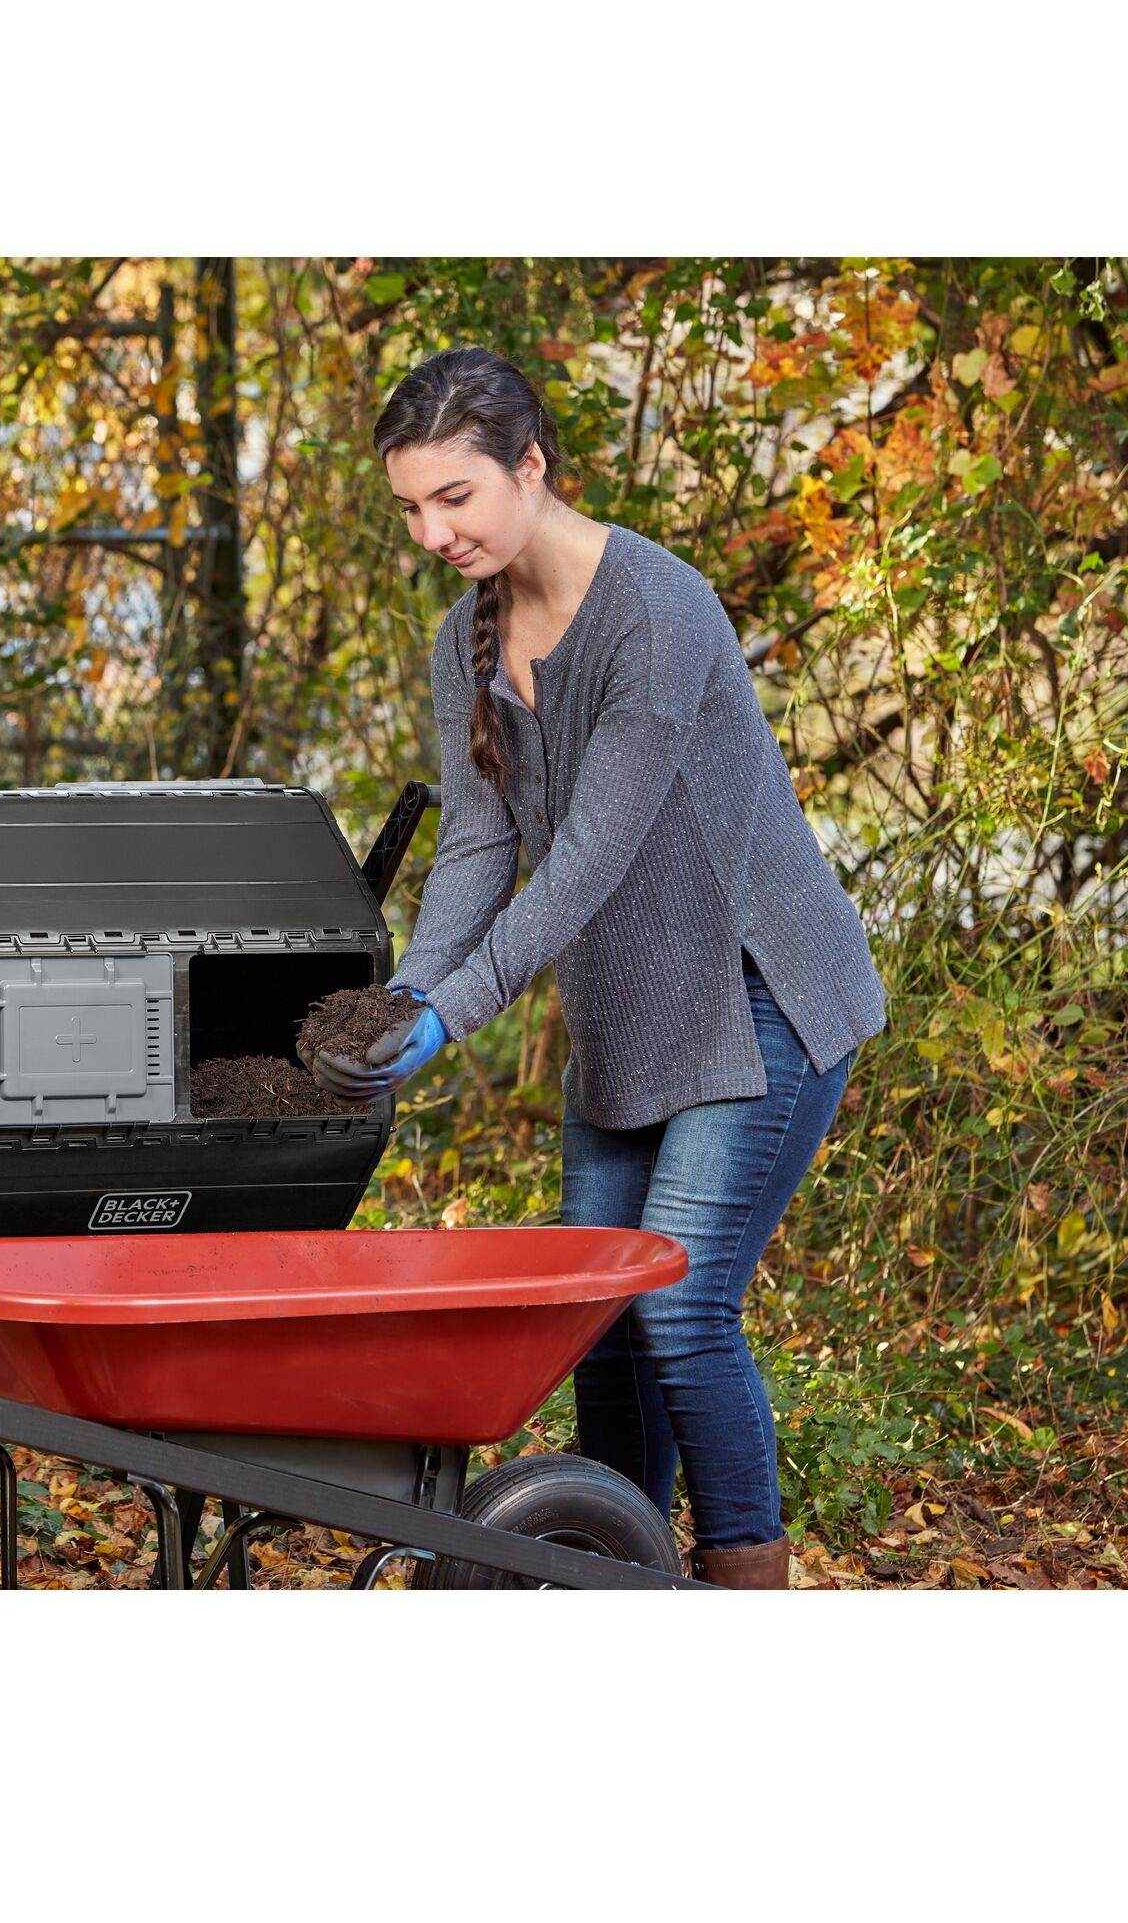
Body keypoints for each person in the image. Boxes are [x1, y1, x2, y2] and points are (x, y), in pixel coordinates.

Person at [314, 345, 887, 1589]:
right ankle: (616, 1578)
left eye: (453, 496)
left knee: (679, 1306)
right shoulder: (458, 639)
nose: (431, 530)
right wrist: (408, 990)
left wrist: (453, 1013)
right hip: (629, 1014)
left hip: (759, 994)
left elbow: (585, 864)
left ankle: (739, 1584)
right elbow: (477, 845)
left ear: (529, 466)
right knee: (596, 1325)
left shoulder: (657, 609)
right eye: (410, 505)